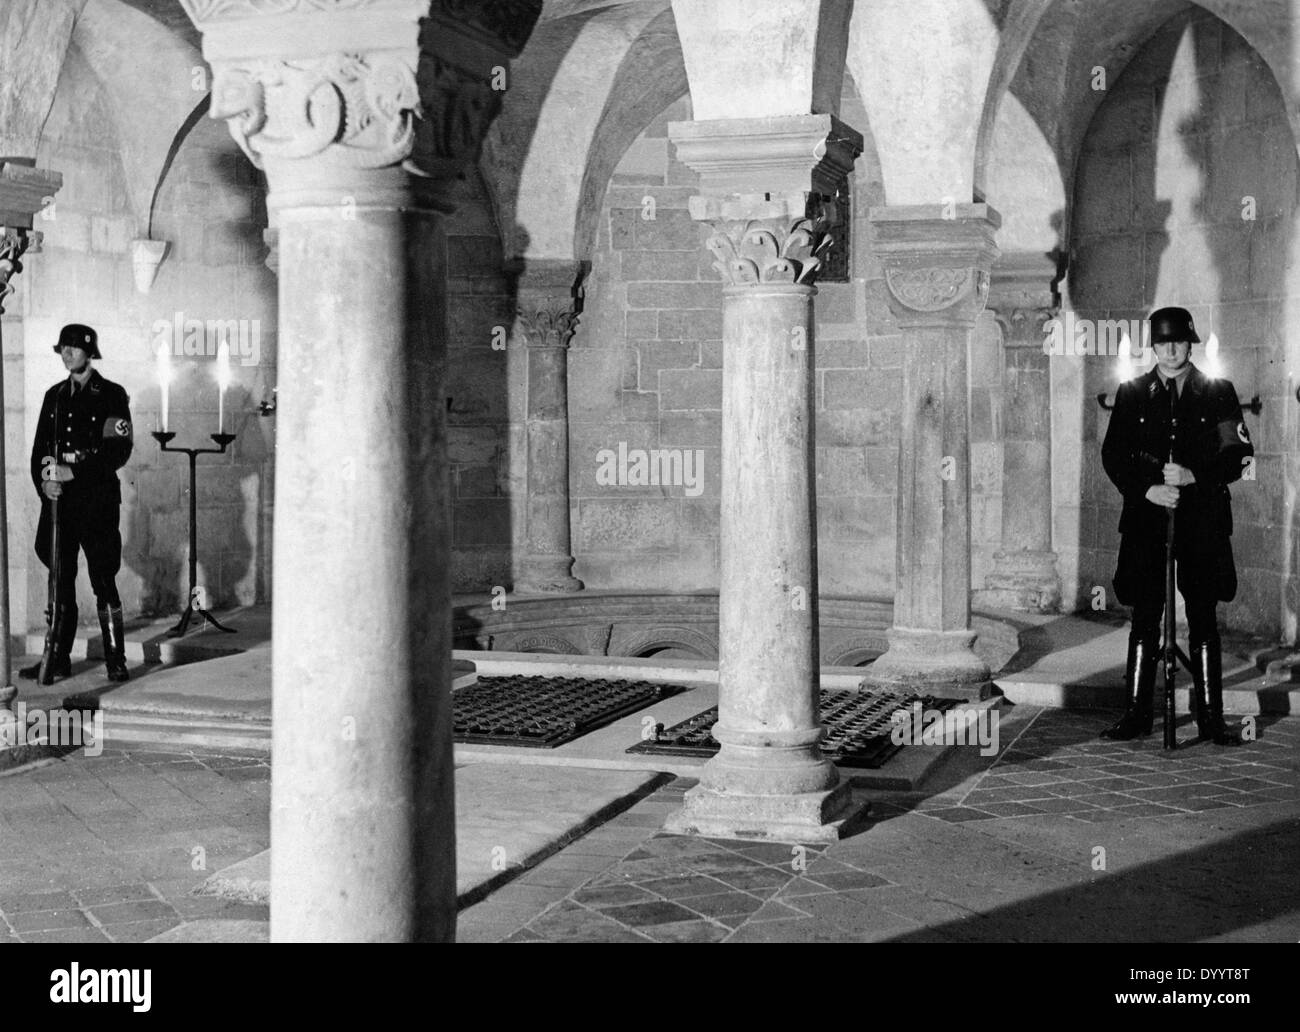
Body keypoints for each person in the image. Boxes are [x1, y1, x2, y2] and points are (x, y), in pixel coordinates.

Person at [1100, 306, 1252, 745]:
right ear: (1154, 346)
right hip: (1148, 520)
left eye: (1178, 342)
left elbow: (1241, 456)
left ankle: (1210, 719)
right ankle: (1136, 714)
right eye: (1162, 342)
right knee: (1145, 612)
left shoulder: (1218, 391)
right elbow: (1114, 455)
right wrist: (1147, 489)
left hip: (1201, 519)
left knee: (1203, 613)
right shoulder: (1132, 393)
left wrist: (1193, 477)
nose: (1170, 351)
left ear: (1190, 343)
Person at [20, 323, 133, 683]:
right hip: (62, 507)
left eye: (73, 347)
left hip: (96, 503)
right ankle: (57, 658)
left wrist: (74, 474)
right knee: (60, 580)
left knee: (103, 578)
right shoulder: (54, 396)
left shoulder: (111, 394)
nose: (66, 353)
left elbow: (118, 451)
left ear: (89, 352)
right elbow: (40, 451)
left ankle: (116, 659)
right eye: (62, 348)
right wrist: (45, 483)